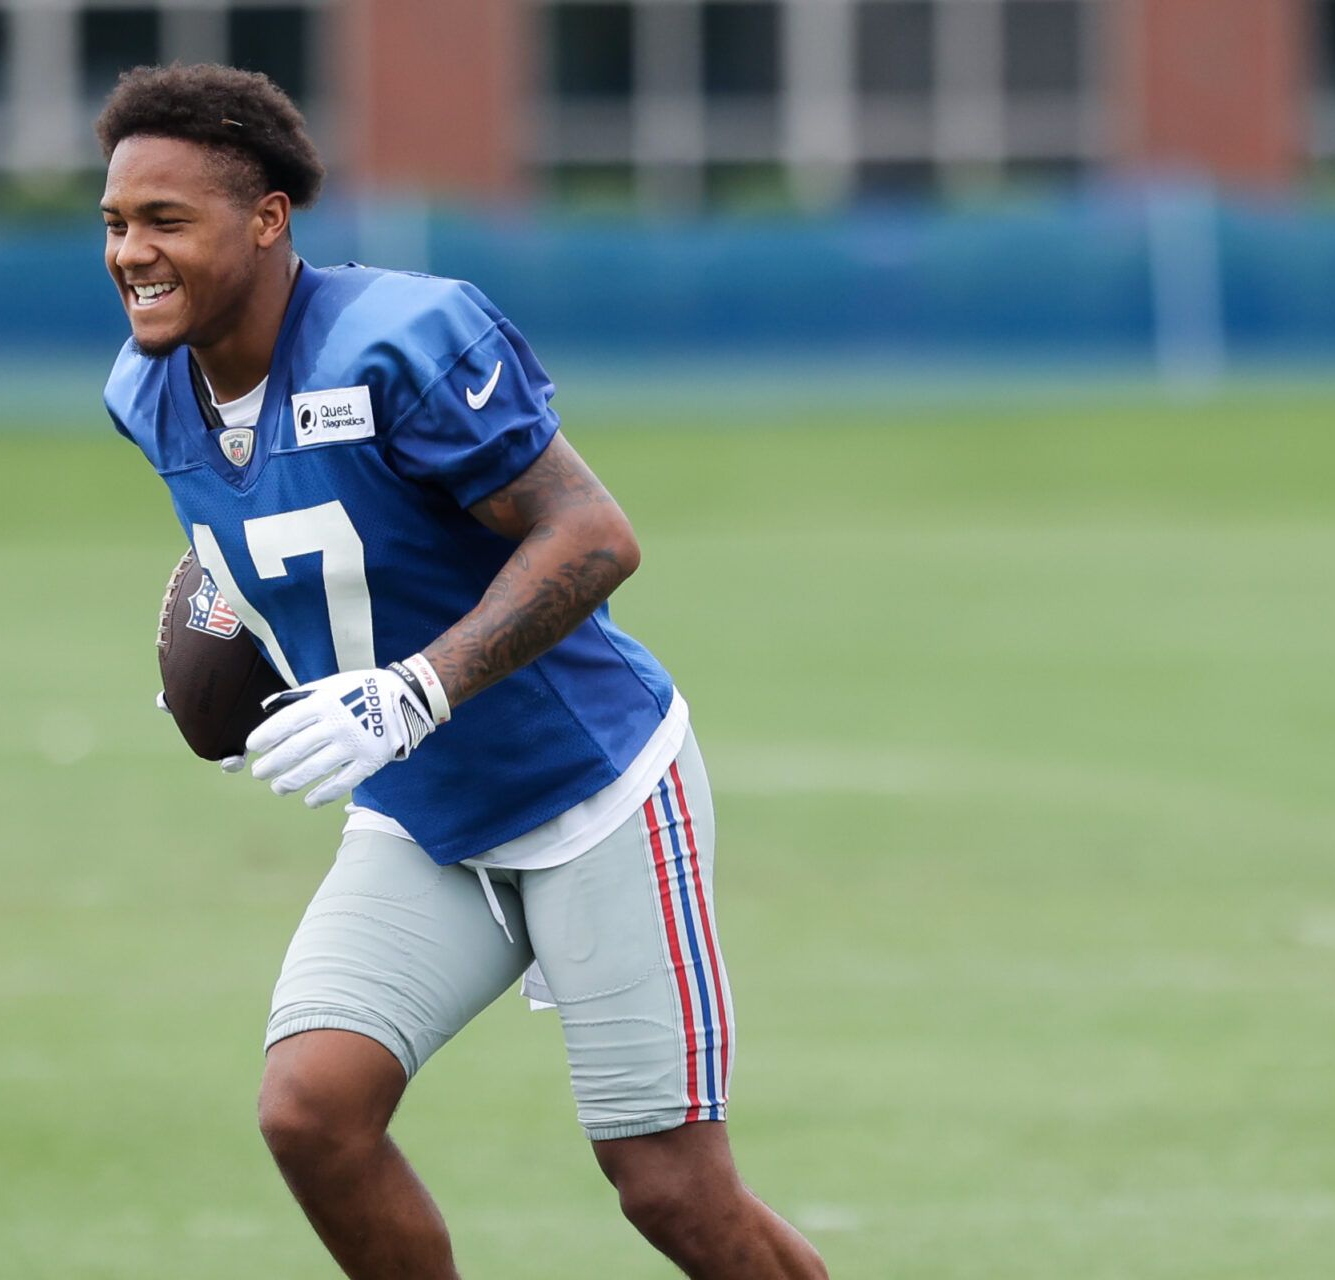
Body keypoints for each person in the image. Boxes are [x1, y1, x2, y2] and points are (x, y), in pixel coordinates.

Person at [98, 63, 828, 1280]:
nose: (132, 251)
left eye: (167, 219)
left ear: (269, 218)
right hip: (424, 815)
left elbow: (594, 536)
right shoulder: (146, 392)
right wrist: (239, 644)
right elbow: (293, 535)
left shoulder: (398, 338)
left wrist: (409, 689)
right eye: (117, 222)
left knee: (671, 1191)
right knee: (311, 1113)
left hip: (591, 790)